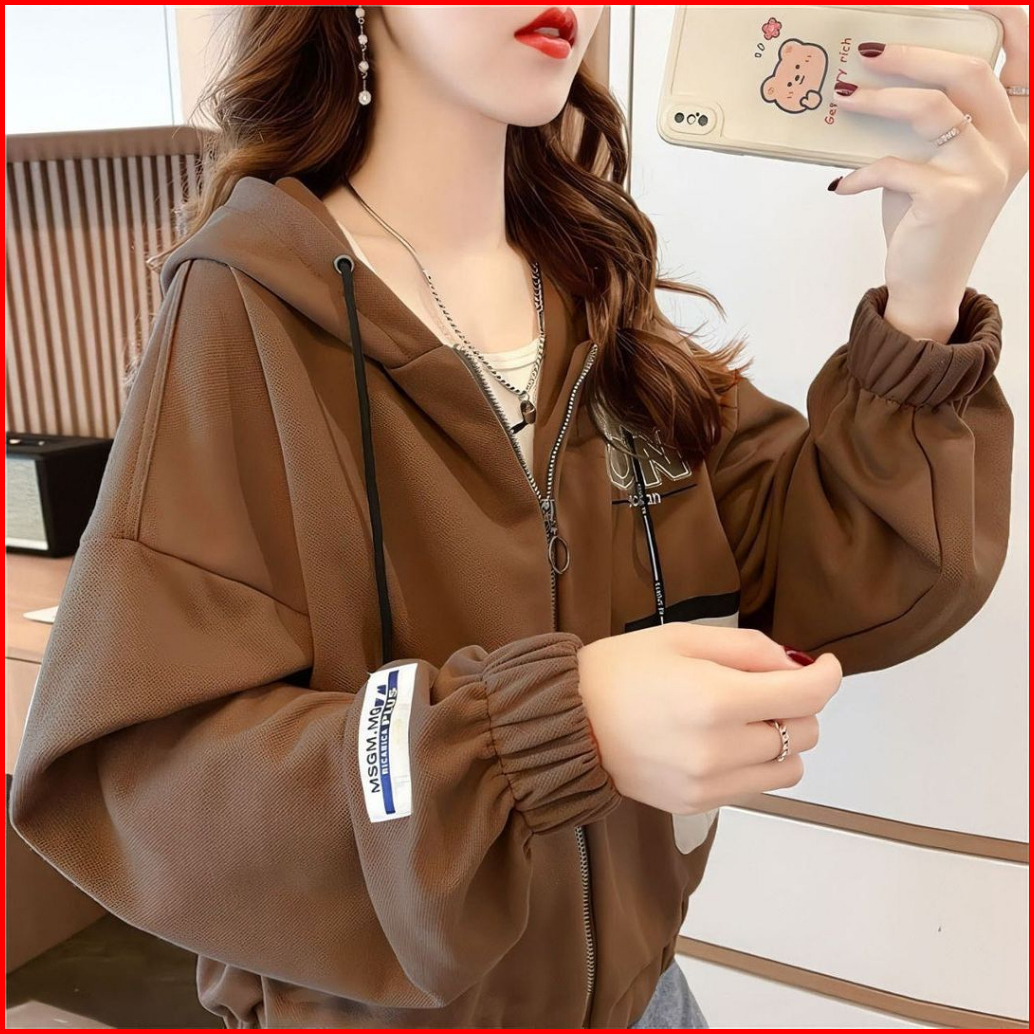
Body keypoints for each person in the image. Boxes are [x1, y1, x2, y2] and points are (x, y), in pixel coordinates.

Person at [10, 5, 1026, 1029]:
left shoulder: (598, 299)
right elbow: (143, 785)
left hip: (646, 1002)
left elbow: (852, 571)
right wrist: (550, 727)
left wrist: (924, 291)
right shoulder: (242, 311)